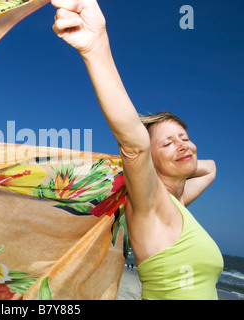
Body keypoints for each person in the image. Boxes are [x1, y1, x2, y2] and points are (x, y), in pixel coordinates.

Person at [51, 0, 223, 300]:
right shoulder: (150, 205)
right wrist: (96, 47)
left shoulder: (174, 202)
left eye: (184, 137)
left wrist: (174, 168)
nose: (182, 144)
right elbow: (134, 147)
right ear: (149, 161)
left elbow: (210, 168)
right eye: (168, 143)